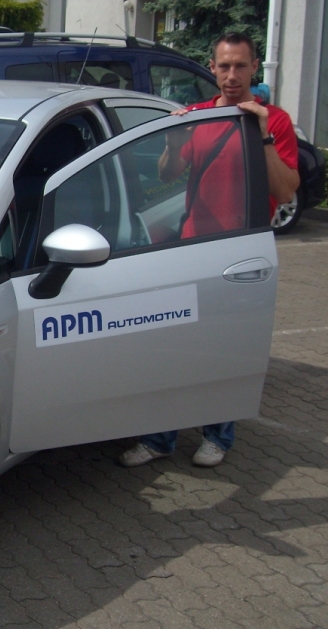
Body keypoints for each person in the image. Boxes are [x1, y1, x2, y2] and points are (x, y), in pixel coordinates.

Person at [120, 32, 299, 469]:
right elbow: (167, 173)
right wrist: (173, 140)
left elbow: (285, 190)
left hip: (239, 252)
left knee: (226, 349)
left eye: (240, 66)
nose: (232, 75)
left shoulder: (273, 121)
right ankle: (159, 438)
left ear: (253, 67)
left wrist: (263, 137)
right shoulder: (200, 116)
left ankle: (218, 435)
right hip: (192, 247)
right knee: (174, 346)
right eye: (224, 66)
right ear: (213, 68)